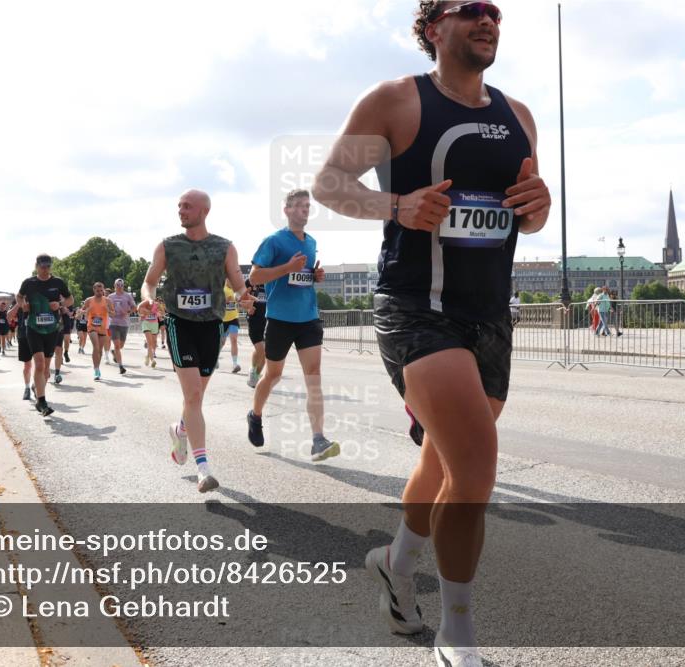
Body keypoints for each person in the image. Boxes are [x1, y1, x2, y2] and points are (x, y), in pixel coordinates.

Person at [312, 1, 551, 663]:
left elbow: (526, 213)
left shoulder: (519, 115)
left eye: (494, 11)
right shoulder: (395, 101)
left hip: (489, 314)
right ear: (432, 28)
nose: (488, 19)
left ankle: (395, 562)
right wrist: (397, 205)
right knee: (475, 465)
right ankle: (457, 634)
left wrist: (540, 207)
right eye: (470, 9)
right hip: (416, 308)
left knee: (443, 461)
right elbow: (329, 183)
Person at [138, 189, 251, 494]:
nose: (181, 211)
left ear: (204, 211)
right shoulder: (168, 246)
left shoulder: (225, 247)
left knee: (196, 398)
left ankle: (180, 429)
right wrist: (148, 298)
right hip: (180, 324)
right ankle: (203, 469)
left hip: (212, 326)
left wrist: (246, 298)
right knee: (193, 395)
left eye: (187, 206)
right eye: (179, 206)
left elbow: (239, 285)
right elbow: (149, 281)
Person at [246, 189, 340, 462]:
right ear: (286, 210)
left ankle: (318, 440)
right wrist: (287, 268)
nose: (304, 210)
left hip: (308, 318)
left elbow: (302, 276)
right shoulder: (274, 241)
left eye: (307, 206)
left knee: (314, 376)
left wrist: (314, 275)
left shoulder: (311, 242)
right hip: (279, 319)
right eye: (299, 205)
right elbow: (254, 276)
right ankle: (255, 415)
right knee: (273, 375)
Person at [16, 254, 73, 416]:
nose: (45, 269)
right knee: (39, 364)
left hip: (52, 329)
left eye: (48, 266)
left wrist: (60, 304)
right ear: (36, 266)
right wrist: (22, 305)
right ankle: (42, 402)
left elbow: (70, 299)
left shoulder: (58, 282)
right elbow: (19, 296)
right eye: (42, 266)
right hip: (33, 328)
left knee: (46, 368)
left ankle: (37, 388)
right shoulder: (29, 283)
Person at [83, 282, 114, 381]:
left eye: (101, 291)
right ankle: (96, 370)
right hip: (91, 326)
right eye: (97, 291)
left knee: (100, 350)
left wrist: (108, 310)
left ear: (103, 290)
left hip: (103, 327)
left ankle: (97, 367)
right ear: (94, 290)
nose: (99, 292)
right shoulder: (89, 300)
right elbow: (81, 312)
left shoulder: (108, 301)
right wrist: (85, 311)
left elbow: (113, 314)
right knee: (96, 347)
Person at [108, 278, 136, 375]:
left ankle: (114, 352)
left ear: (123, 286)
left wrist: (128, 312)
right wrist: (110, 313)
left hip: (124, 323)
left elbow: (134, 307)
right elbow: (106, 308)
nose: (119, 287)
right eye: (117, 285)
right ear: (114, 286)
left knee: (121, 345)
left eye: (121, 285)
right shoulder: (110, 297)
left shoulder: (128, 296)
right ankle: (121, 366)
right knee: (117, 345)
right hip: (113, 323)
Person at [245, 276, 268, 388]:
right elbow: (239, 296)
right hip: (254, 320)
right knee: (261, 349)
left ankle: (257, 375)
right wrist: (248, 307)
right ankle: (252, 370)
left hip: (268, 321)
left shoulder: (272, 280)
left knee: (265, 353)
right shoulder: (251, 281)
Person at [219, 278, 242, 373]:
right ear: (226, 279)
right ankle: (215, 359)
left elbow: (239, 304)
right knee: (222, 342)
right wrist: (225, 301)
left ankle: (235, 364)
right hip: (223, 320)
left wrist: (239, 301)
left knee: (234, 340)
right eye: (229, 279)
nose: (231, 281)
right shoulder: (222, 290)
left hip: (234, 319)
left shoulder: (235, 291)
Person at [141, 298, 161, 368]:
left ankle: (147, 356)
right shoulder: (144, 304)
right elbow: (139, 312)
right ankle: (152, 360)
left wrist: (158, 314)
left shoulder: (157, 304)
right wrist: (142, 315)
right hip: (146, 324)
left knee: (154, 342)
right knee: (149, 342)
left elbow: (161, 313)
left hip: (154, 324)